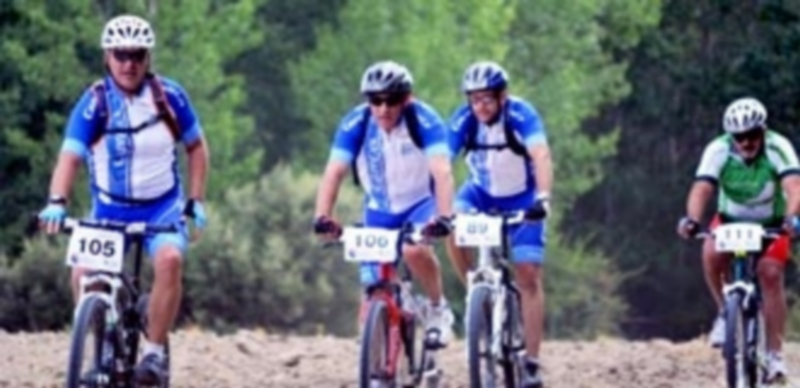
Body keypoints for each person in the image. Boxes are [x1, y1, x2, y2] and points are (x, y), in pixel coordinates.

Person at [37, 15, 209, 385]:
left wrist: (195, 200)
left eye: (137, 55)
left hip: (160, 208)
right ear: (107, 57)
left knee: (170, 259)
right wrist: (57, 200)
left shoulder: (170, 97)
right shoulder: (94, 102)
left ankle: (154, 353)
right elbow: (70, 156)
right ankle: (98, 342)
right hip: (108, 213)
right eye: (121, 55)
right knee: (83, 274)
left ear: (148, 59)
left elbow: (196, 147)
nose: (128, 63)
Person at [312, 60, 456, 347]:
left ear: (407, 99)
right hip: (379, 209)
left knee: (414, 251)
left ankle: (438, 308)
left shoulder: (424, 120)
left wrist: (444, 217)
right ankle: (375, 352)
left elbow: (442, 171)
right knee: (372, 286)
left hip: (419, 203)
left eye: (392, 101)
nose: (383, 108)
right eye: (375, 101)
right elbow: (334, 171)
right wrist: (322, 216)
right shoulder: (357, 122)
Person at [677, 97, 800, 383]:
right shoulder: (718, 150)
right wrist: (692, 220)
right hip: (731, 219)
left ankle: (774, 355)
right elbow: (701, 189)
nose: (747, 143)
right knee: (710, 252)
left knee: (770, 273)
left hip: (771, 222)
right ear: (731, 137)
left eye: (753, 135)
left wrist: (792, 218)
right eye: (740, 137)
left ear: (763, 131)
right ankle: (724, 311)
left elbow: (794, 186)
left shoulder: (777, 147)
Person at [445, 61, 552, 388]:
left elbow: (541, 155)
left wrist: (543, 199)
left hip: (522, 198)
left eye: (487, 99)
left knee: (528, 275)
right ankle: (475, 292)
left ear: (503, 96)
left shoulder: (521, 114)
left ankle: (531, 363)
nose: (480, 106)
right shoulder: (463, 120)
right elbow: (441, 165)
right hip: (478, 193)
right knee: (451, 224)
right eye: (474, 99)